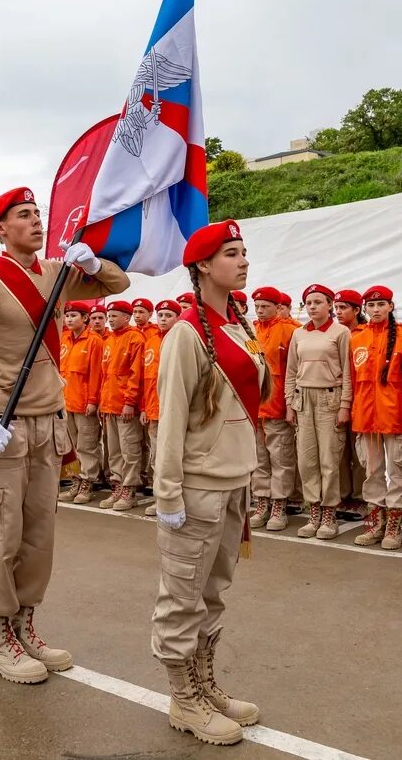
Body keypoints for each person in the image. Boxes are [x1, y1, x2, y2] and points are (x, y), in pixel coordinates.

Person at [0, 187, 128, 684]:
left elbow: (117, 283)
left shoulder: (54, 274)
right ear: (0, 228)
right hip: (4, 424)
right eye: (24, 215)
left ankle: (26, 623)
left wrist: (92, 263)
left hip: (49, 422)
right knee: (0, 535)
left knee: (40, 535)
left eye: (38, 213)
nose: (36, 221)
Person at [152, 219, 267, 746]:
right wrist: (168, 490)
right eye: (231, 253)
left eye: (244, 252)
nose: (242, 261)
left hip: (233, 477)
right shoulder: (185, 332)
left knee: (213, 591)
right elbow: (171, 416)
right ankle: (183, 698)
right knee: (182, 594)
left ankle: (204, 683)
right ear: (202, 266)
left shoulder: (239, 323)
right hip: (196, 484)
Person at [349, 286, 402, 549]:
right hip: (366, 417)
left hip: (394, 417)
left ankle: (394, 525)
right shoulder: (357, 338)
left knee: (397, 471)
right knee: (372, 471)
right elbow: (352, 380)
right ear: (365, 309)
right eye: (371, 305)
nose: (375, 310)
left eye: (381, 305)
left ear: (390, 306)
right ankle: (375, 521)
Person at [286, 284, 352, 540]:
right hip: (303, 399)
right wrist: (290, 402)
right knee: (306, 459)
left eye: (318, 302)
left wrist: (345, 404)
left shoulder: (340, 332)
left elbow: (347, 371)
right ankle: (313, 510)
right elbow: (292, 370)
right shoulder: (298, 334)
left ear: (329, 305)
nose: (312, 307)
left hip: (329, 399)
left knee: (329, 459)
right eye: (308, 303)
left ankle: (329, 513)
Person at [249, 285, 299, 531]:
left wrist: (291, 404)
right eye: (257, 307)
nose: (260, 311)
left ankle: (279, 504)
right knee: (259, 458)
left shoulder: (291, 332)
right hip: (255, 405)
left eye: (265, 307)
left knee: (281, 458)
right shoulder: (251, 331)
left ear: (278, 307)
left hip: (278, 405)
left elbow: (293, 372)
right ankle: (262, 502)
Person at [99, 300, 145, 511]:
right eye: (109, 315)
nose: (110, 318)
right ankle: (117, 485)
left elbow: (136, 374)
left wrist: (129, 402)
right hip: (109, 404)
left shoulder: (135, 338)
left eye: (115, 315)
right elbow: (104, 374)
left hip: (125, 406)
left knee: (130, 449)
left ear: (127, 317)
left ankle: (130, 489)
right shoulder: (109, 339)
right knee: (115, 451)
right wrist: (102, 401)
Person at [59, 301, 104, 504]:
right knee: (71, 445)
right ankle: (75, 479)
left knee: (87, 445)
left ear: (85, 318)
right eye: (67, 316)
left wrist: (93, 400)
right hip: (66, 400)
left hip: (85, 402)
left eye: (74, 316)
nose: (69, 319)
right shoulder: (65, 339)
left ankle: (87, 481)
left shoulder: (93, 340)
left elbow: (96, 373)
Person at [141, 299, 178, 517]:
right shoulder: (151, 341)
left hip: (174, 412)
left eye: (168, 315)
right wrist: (145, 407)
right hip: (154, 410)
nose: (162, 319)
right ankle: (159, 498)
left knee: (173, 457)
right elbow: (147, 379)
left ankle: (174, 498)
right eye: (160, 315)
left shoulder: (181, 340)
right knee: (157, 457)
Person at [333, 289, 367, 518]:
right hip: (337, 398)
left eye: (343, 308)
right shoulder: (334, 332)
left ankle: (360, 497)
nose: (338, 312)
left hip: (360, 399)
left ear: (356, 310)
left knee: (359, 452)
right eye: (336, 308)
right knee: (340, 450)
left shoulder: (363, 333)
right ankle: (343, 494)